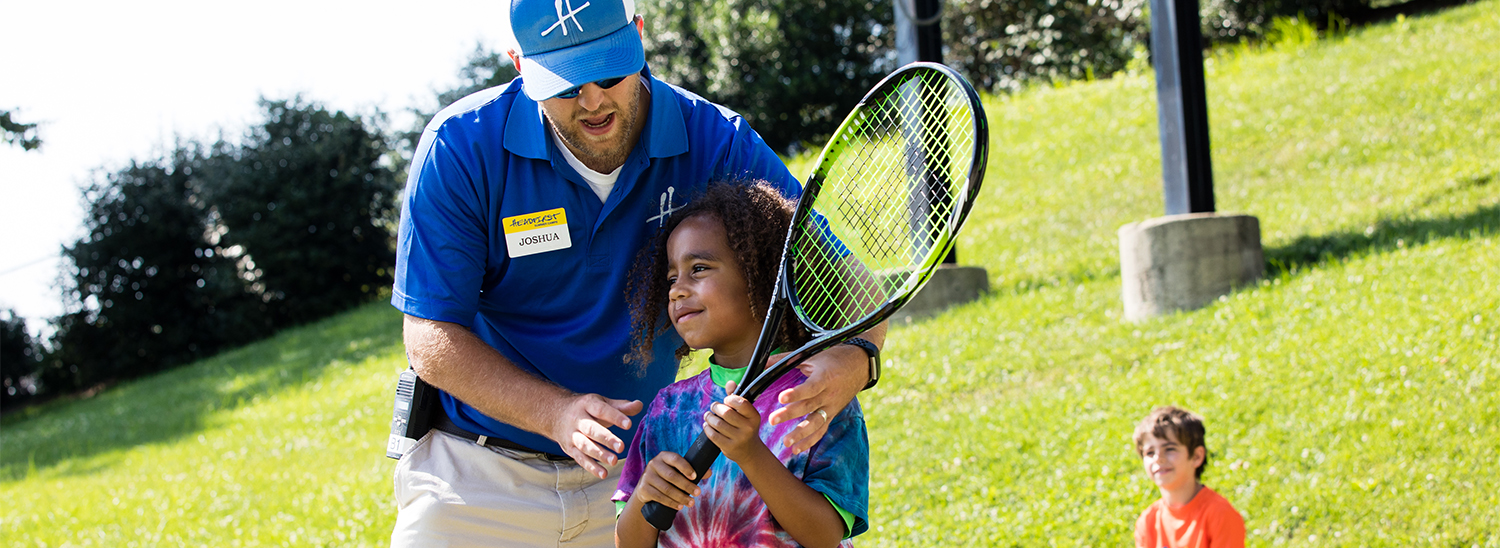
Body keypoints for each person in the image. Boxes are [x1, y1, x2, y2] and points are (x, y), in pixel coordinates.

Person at [389, 0, 885, 545]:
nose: (593, 100)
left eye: (608, 72)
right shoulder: (460, 145)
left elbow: (845, 277)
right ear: (518, 64)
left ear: (639, 35)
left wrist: (855, 358)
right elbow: (430, 337)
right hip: (476, 475)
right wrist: (556, 413)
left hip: (638, 474)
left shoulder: (716, 138)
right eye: (565, 84)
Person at [613, 181, 869, 548]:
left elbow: (825, 535)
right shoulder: (668, 408)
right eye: (671, 278)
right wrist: (642, 497)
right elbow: (630, 543)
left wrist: (750, 453)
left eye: (699, 269)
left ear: (759, 274)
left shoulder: (817, 396)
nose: (677, 289)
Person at [1133, 406, 1246, 548]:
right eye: (1150, 452)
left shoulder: (1220, 515)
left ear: (1197, 456)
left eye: (1169, 449)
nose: (1158, 458)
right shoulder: (1148, 521)